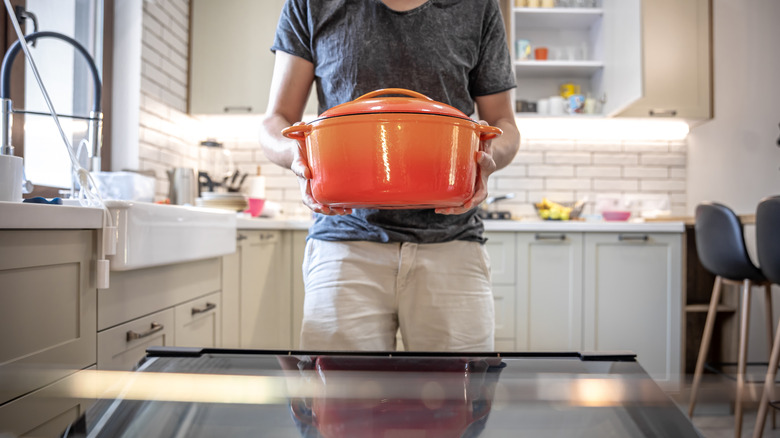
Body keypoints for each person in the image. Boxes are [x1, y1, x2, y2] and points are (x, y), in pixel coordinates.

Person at [259, 0, 520, 352]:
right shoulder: (311, 3)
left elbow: (504, 125)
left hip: (452, 246)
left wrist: (486, 158)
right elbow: (275, 120)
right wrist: (298, 155)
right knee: (339, 386)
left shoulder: (477, 6)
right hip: (344, 245)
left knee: (459, 385)